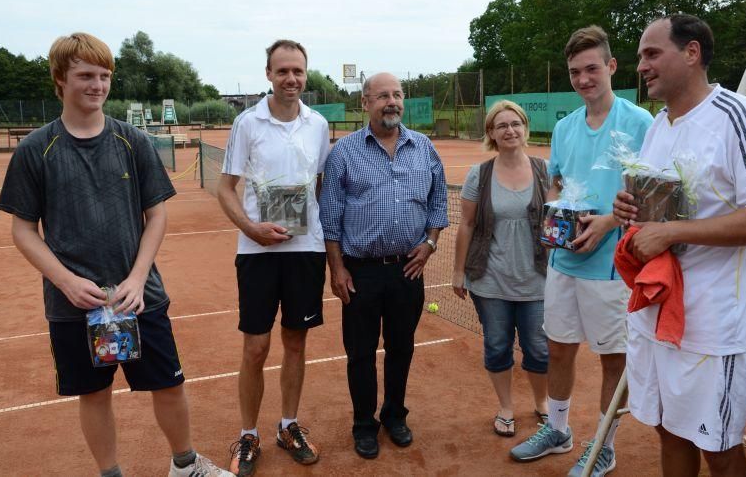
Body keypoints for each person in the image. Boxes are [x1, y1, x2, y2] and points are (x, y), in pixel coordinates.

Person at [0, 33, 232, 477]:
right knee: (94, 394)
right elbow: (23, 230)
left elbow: (156, 215)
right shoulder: (35, 150)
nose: (97, 85)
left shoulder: (134, 142)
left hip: (139, 297)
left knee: (169, 384)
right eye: (85, 75)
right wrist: (66, 281)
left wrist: (139, 278)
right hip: (74, 305)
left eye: (104, 76)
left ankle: (185, 466)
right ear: (60, 79)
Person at [613, 14, 746, 476]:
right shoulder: (658, 126)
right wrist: (629, 211)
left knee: (717, 445)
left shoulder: (739, 117)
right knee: (668, 429)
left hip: (715, 323)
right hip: (658, 311)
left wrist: (672, 233)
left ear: (691, 53)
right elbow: (660, 211)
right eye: (640, 57)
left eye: (652, 54)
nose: (641, 66)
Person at [510, 25, 652, 476]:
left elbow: (652, 193)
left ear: (611, 67)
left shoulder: (639, 122)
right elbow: (555, 181)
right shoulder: (566, 127)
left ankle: (604, 444)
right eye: (575, 72)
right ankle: (558, 429)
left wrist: (609, 221)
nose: (584, 78)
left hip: (612, 268)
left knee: (614, 357)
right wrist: (557, 213)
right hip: (564, 260)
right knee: (558, 348)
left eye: (592, 68)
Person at [319, 72, 449, 459]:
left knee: (401, 348)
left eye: (397, 95)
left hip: (408, 269)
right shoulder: (343, 153)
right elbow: (331, 218)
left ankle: (394, 415)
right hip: (360, 271)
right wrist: (337, 268)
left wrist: (429, 245)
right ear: (365, 103)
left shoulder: (424, 147)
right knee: (360, 352)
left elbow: (439, 202)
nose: (391, 102)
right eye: (382, 96)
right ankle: (364, 424)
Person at [218, 40, 329, 475]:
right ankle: (249, 435)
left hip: (306, 250)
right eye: (282, 71)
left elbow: (319, 184)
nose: (291, 79)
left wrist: (306, 224)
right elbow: (226, 189)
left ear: (306, 74)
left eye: (298, 71)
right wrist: (252, 229)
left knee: (296, 342)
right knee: (256, 347)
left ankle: (288, 425)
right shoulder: (247, 123)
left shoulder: (317, 124)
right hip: (257, 252)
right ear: (268, 74)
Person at [451, 100, 550, 438]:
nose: (510, 130)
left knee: (538, 347)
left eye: (516, 124)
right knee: (497, 345)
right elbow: (465, 224)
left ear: (525, 128)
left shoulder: (545, 170)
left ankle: (542, 404)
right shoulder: (480, 174)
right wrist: (457, 271)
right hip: (490, 279)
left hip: (538, 279)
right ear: (491, 133)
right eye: (501, 125)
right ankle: (506, 408)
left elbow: (560, 221)